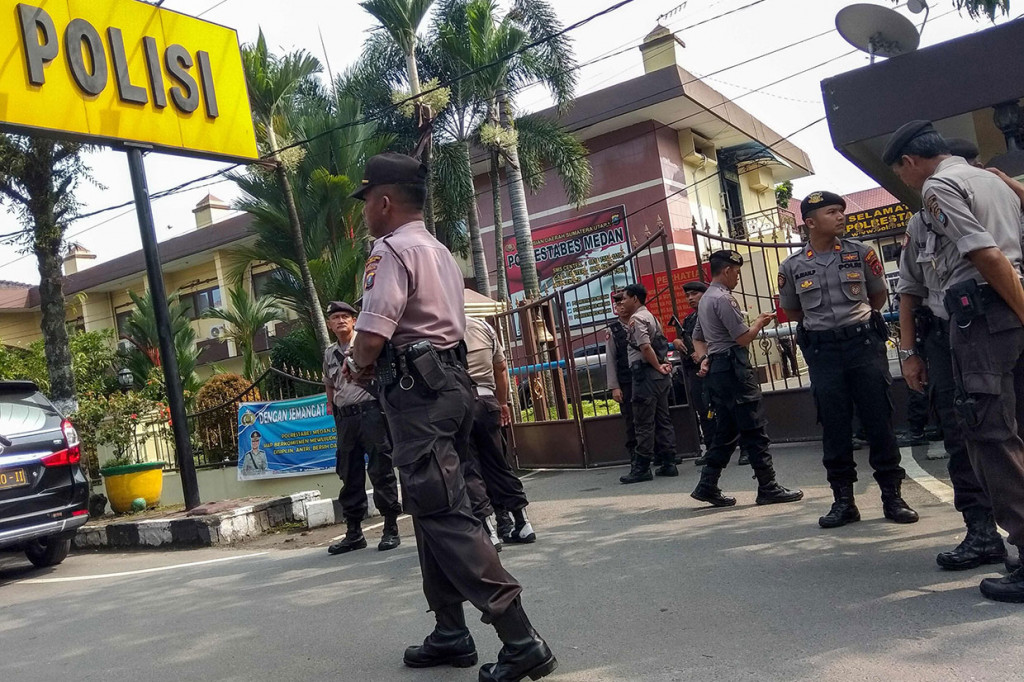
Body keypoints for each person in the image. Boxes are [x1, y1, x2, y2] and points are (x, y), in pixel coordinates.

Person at [345, 152, 556, 679]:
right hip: (452, 387)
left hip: (418, 397)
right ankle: (449, 631)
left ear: (385, 201)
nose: (366, 210)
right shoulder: (438, 249)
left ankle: (520, 638)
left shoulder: (389, 250)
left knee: (443, 514)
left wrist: (357, 364)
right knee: (435, 505)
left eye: (367, 199)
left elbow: (371, 336)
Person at [884, 120, 1024, 602]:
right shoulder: (993, 186)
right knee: (992, 429)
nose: (907, 182)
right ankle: (985, 531)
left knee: (990, 433)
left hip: (984, 319)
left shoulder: (941, 187)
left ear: (911, 161)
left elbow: (986, 256)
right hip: (975, 324)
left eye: (902, 173)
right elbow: (911, 290)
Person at [779, 191, 919, 528]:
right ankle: (844, 502)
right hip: (824, 351)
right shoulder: (793, 266)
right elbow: (792, 309)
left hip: (862, 345)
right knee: (834, 423)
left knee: (878, 418)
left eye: (841, 211)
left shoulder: (861, 252)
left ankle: (892, 497)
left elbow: (877, 295)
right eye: (831, 212)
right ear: (810, 222)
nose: (840, 216)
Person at [688, 250, 804, 507]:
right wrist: (760, 322)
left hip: (719, 370)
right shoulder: (723, 299)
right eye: (737, 273)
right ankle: (768, 486)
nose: (738, 278)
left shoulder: (706, 299)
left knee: (726, 431)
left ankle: (707, 484)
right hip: (733, 369)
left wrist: (705, 357)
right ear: (727, 270)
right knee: (753, 427)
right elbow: (742, 338)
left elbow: (697, 337)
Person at [322, 300, 402, 555]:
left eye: (346, 316)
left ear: (354, 321)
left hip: (371, 414)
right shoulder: (329, 353)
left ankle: (391, 527)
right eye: (336, 318)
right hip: (345, 418)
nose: (341, 321)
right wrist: (332, 408)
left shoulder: (366, 345)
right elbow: (330, 384)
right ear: (329, 324)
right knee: (349, 473)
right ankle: (354, 532)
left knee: (381, 471)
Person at [464, 315, 536, 545]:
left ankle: (488, 531)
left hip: (458, 404)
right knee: (499, 464)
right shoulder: (484, 327)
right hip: (487, 401)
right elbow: (501, 367)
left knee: (470, 469)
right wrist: (503, 403)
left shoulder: (439, 328)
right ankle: (522, 522)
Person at [617, 283, 678, 483]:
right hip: (658, 377)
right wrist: (661, 366)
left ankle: (642, 468)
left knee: (643, 422)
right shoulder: (651, 316)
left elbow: (645, 347)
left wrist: (658, 366)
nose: (622, 302)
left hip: (646, 376)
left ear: (635, 298)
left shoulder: (636, 319)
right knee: (663, 419)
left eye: (624, 298)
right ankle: (669, 462)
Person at [673, 281, 717, 465]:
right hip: (696, 372)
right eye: (687, 295)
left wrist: (703, 353)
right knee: (703, 410)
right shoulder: (689, 320)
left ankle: (745, 448)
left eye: (694, 294)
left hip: (716, 367)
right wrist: (677, 342)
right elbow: (685, 340)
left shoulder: (714, 313)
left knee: (729, 407)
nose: (690, 298)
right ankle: (711, 449)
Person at [606, 291, 637, 466]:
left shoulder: (639, 321)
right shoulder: (613, 330)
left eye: (622, 303)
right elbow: (610, 359)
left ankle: (659, 452)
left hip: (644, 378)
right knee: (631, 419)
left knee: (651, 416)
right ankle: (635, 455)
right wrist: (614, 386)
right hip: (626, 381)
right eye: (617, 305)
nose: (620, 307)